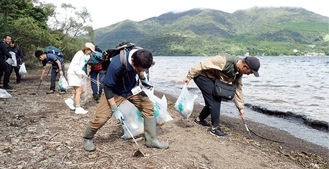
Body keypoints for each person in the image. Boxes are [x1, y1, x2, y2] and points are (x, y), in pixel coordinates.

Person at [82, 48, 169, 152]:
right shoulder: (116, 64)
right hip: (114, 91)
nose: (140, 71)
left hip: (132, 89)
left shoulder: (143, 57)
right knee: (102, 117)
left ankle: (151, 140)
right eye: (138, 69)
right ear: (132, 60)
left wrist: (143, 79)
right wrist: (114, 108)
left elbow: (142, 71)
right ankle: (87, 138)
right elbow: (107, 87)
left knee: (148, 106)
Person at [183, 55, 260, 137]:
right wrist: (189, 76)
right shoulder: (223, 61)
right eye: (250, 72)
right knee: (215, 100)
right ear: (245, 66)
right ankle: (214, 128)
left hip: (212, 79)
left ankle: (199, 120)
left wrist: (240, 108)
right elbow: (202, 65)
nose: (248, 74)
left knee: (212, 101)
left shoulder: (238, 72)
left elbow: (238, 88)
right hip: (201, 76)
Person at [64, 42, 95, 114]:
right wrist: (82, 72)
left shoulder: (85, 56)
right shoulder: (79, 54)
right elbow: (75, 66)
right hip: (73, 74)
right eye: (90, 51)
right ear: (87, 49)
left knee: (83, 90)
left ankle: (70, 100)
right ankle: (78, 108)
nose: (91, 53)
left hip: (78, 74)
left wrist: (82, 73)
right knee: (78, 91)